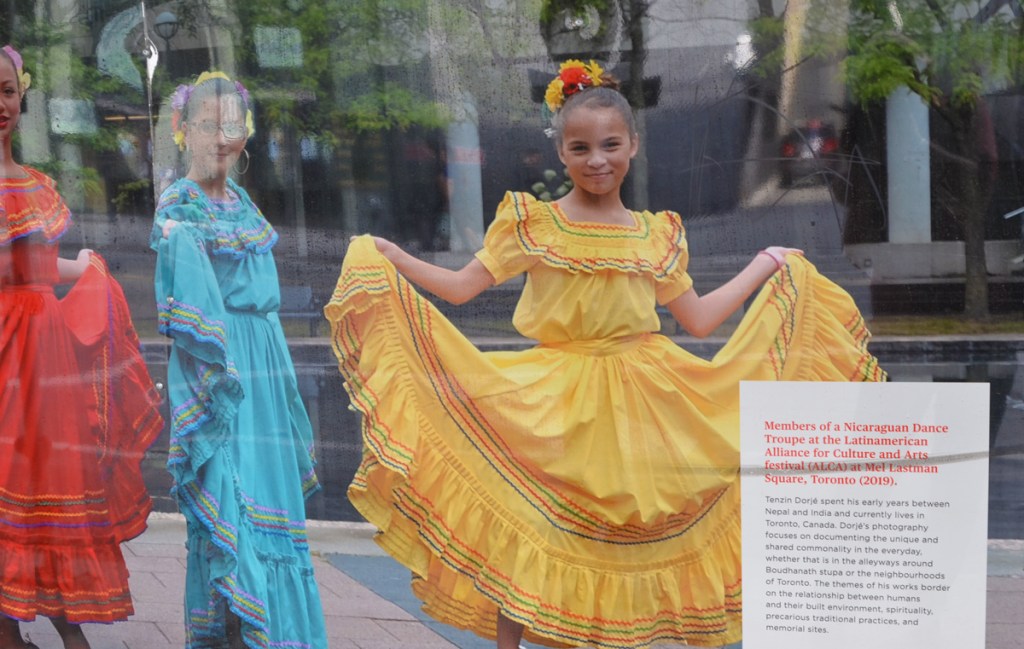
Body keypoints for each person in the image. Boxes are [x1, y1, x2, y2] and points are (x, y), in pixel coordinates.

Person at [324, 60, 886, 649]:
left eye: (610, 145)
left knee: (635, 527)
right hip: (553, 398)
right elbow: (462, 287)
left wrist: (764, 265)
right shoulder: (534, 224)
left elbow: (697, 319)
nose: (598, 160)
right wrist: (392, 256)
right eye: (581, 147)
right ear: (562, 153)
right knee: (533, 525)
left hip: (644, 398)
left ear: (633, 146)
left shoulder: (654, 234)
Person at [151, 71, 327, 649]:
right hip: (222, 378)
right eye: (209, 124)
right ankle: (239, 634)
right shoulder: (181, 202)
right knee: (234, 509)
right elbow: (183, 289)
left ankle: (274, 636)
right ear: (184, 131)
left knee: (267, 505)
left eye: (233, 124)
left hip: (266, 375)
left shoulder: (245, 204)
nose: (222, 137)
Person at [0, 45, 163, 649]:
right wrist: (60, 262)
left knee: (55, 475)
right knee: (12, 474)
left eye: (9, 91)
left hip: (44, 351)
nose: (1, 104)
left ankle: (59, 619)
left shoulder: (35, 184)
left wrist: (85, 269)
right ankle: (10, 627)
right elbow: (16, 263)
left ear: (23, 96)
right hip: (6, 347)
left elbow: (35, 267)